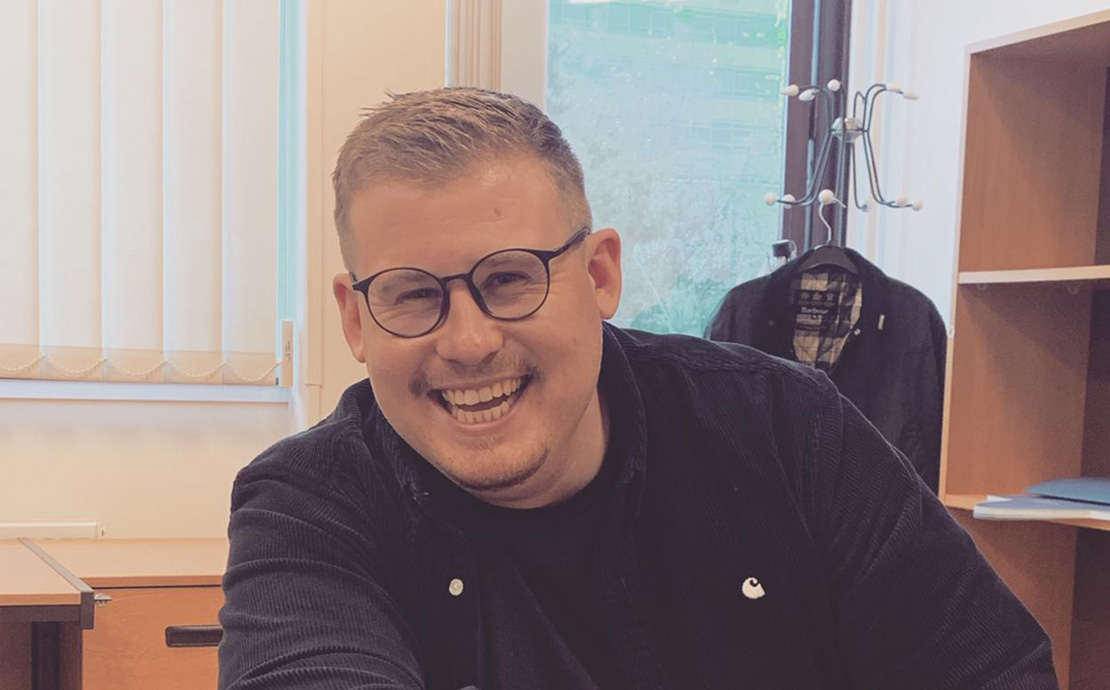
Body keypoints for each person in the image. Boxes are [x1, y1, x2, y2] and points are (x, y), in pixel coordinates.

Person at [217, 87, 1058, 690]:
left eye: (510, 279)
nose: (468, 343)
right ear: (356, 319)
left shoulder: (789, 431)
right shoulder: (307, 503)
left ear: (600, 275)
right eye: (411, 294)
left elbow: (992, 670)